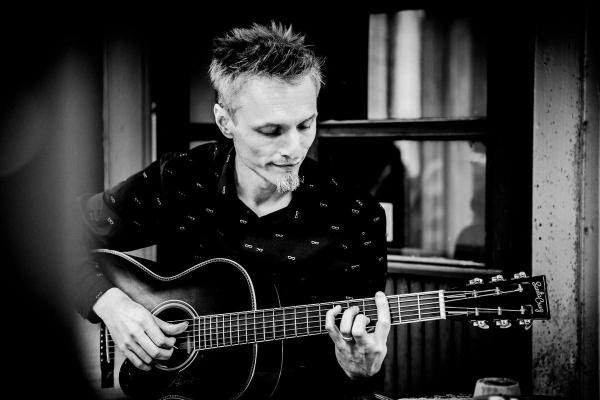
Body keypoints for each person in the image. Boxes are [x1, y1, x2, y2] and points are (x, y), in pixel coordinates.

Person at [74, 22, 390, 400]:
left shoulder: (355, 215)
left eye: (306, 124)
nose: (294, 148)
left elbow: (359, 357)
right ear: (226, 122)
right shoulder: (181, 180)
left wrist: (360, 369)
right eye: (271, 131)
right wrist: (110, 303)